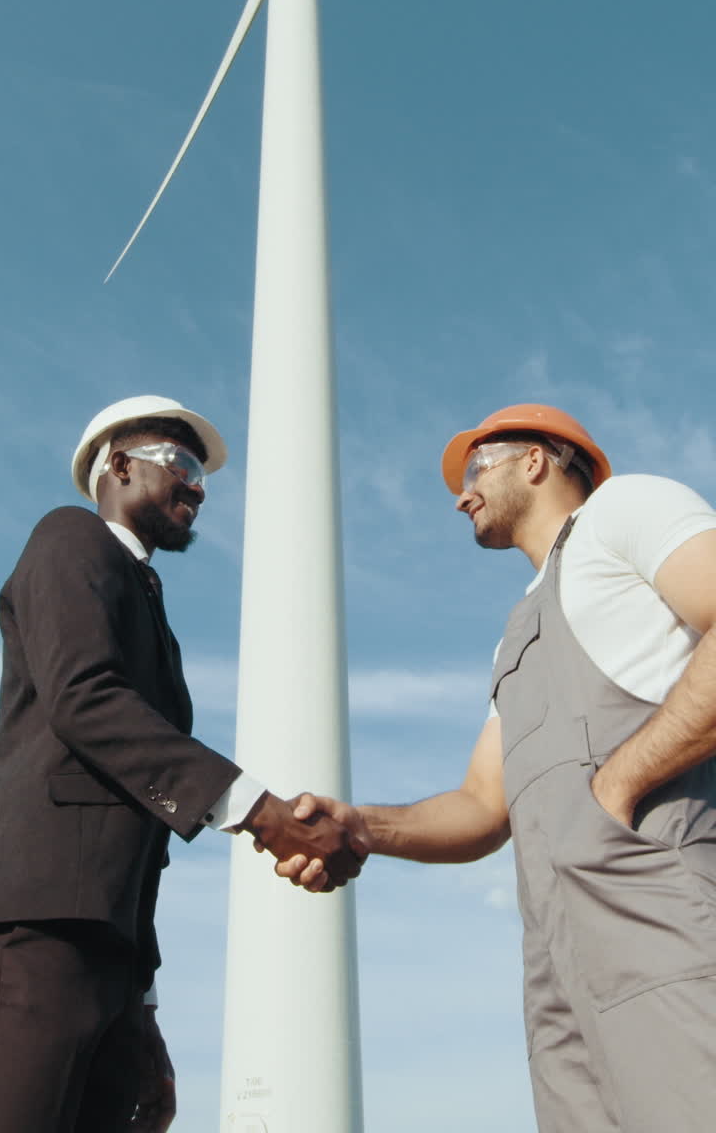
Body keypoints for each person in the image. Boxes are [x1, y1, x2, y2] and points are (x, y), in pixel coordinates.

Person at [276, 402, 716, 1132]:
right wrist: (363, 826)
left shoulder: (629, 509)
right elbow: (483, 805)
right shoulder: (514, 635)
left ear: (538, 461)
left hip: (656, 911)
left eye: (478, 466)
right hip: (556, 972)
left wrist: (617, 785)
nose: (461, 492)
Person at [0, 394, 363, 1133]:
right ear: (119, 466)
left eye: (202, 474)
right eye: (184, 464)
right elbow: (85, 700)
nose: (198, 485)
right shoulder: (71, 537)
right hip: (44, 927)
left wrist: (146, 1014)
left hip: (112, 952)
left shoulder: (145, 598)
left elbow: (139, 833)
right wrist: (262, 814)